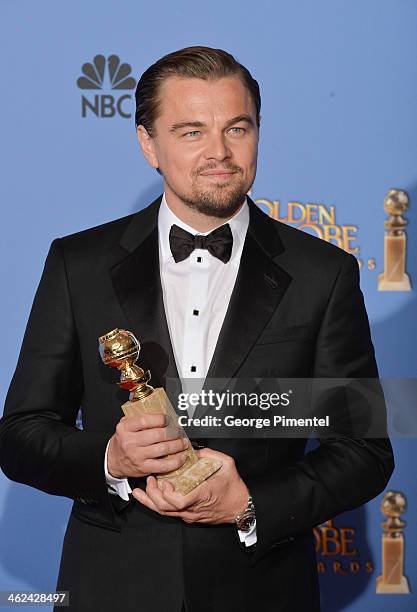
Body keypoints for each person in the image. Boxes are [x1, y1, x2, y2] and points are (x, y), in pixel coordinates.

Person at [0, 46, 394, 612]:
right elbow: (21, 434)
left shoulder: (323, 273)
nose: (219, 152)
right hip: (111, 587)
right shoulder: (77, 265)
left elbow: (363, 450)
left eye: (238, 127)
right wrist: (110, 459)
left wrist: (251, 501)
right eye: (191, 132)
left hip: (261, 588)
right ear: (148, 144)